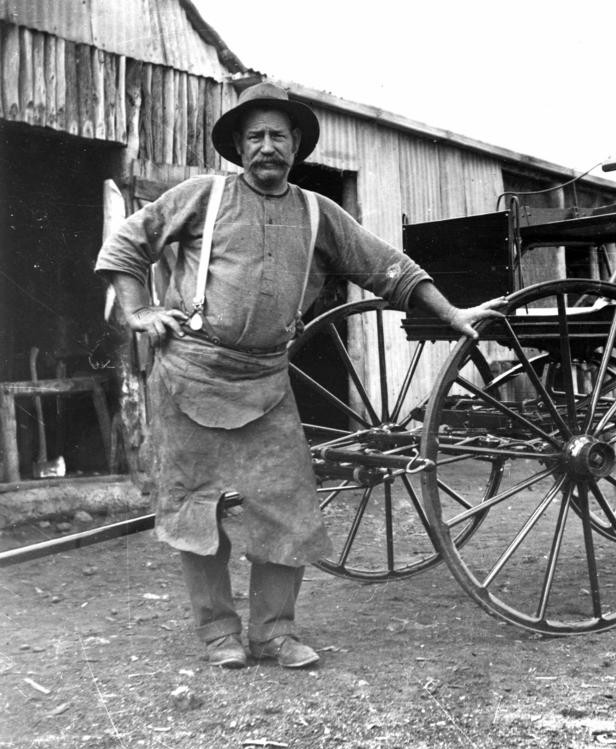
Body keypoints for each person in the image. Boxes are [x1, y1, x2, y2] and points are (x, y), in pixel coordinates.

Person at [96, 81, 503, 669]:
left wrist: (453, 312)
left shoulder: (318, 213)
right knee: (195, 507)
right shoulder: (202, 197)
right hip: (189, 376)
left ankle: (275, 633)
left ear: (296, 147)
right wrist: (137, 311)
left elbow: (390, 268)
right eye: (256, 136)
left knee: (287, 506)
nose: (267, 147)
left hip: (265, 382)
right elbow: (129, 244)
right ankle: (218, 635)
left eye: (278, 137)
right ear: (238, 144)